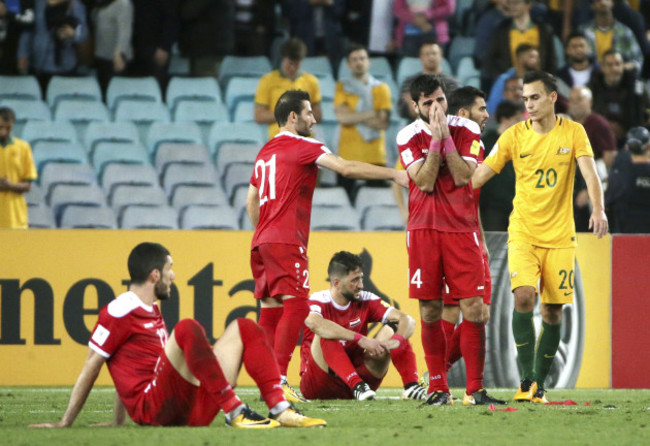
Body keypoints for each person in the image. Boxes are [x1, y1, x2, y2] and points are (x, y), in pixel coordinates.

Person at [30, 242, 327, 429]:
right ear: (155, 274)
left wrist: (117, 422)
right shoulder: (119, 310)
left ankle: (280, 408)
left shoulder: (150, 309)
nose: (174, 275)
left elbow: (127, 366)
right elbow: (94, 363)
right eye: (170, 269)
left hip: (185, 412)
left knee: (246, 328)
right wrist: (64, 423)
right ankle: (234, 409)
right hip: (154, 410)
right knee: (186, 328)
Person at [246, 89, 407, 403]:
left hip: (261, 241)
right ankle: (278, 380)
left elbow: (251, 200)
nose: (314, 118)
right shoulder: (303, 144)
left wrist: (265, 232)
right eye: (308, 113)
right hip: (285, 240)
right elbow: (345, 168)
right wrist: (395, 175)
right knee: (296, 307)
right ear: (293, 117)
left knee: (270, 311)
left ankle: (267, 380)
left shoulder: (265, 151)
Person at [471, 70, 608, 403]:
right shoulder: (513, 136)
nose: (528, 104)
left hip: (561, 237)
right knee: (523, 297)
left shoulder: (574, 132)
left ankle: (539, 386)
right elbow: (478, 177)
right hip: (522, 233)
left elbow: (590, 174)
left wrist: (598, 209)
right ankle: (526, 381)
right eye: (525, 99)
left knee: (552, 312)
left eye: (534, 97)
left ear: (552, 98)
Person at [396, 74, 503, 406]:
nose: (437, 107)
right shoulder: (407, 135)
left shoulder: (467, 128)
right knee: (430, 310)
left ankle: (475, 389)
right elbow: (425, 182)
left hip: (461, 229)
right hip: (424, 231)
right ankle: (439, 388)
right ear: (415, 106)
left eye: (440, 99)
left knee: (474, 308)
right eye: (428, 102)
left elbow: (463, 177)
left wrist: (446, 140)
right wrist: (436, 142)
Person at [437, 86, 507, 405]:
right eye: (481, 109)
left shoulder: (474, 145)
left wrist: (480, 237)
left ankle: (444, 377)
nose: (487, 115)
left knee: (482, 312)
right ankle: (445, 381)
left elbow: (471, 197)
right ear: (463, 113)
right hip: (450, 237)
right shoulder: (448, 141)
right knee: (456, 311)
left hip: (470, 236)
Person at [300, 251, 427, 401]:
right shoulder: (317, 300)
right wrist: (360, 339)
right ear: (336, 283)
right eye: (354, 280)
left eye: (361, 278)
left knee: (395, 327)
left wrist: (397, 340)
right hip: (319, 384)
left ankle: (411, 386)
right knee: (326, 333)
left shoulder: (366, 299)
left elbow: (407, 320)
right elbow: (315, 323)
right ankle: (357, 385)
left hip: (362, 380)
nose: (360, 285)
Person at [334, 44, 392, 198]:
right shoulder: (342, 87)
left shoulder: (382, 88)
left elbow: (382, 123)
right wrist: (372, 112)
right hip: (347, 155)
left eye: (362, 58)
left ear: (368, 61)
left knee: (377, 201)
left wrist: (353, 115)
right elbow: (342, 118)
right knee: (345, 201)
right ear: (348, 64)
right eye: (354, 59)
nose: (359, 62)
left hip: (375, 155)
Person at [567, 86, 617, 231]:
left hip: (594, 176)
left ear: (590, 102)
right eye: (572, 100)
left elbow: (609, 156)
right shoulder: (564, 123)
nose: (575, 103)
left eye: (580, 99)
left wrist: (590, 187)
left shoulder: (598, 123)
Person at [254, 38, 322, 141]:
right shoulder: (267, 80)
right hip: (278, 140)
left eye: (296, 64)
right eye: (289, 63)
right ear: (283, 59)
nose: (293, 68)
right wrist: (288, 114)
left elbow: (318, 115)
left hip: (305, 141)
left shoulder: (311, 81)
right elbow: (259, 116)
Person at [16, 0, 88, 92]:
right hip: (38, 63)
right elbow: (27, 30)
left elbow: (84, 33)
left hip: (65, 64)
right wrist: (22, 54)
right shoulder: (36, 3)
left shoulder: (75, 4)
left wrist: (74, 34)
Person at [479, 99, 525, 231]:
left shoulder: (522, 144)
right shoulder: (486, 143)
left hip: (517, 208)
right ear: (505, 119)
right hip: (493, 209)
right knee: (494, 247)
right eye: (517, 119)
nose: (522, 124)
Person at [485, 0, 557, 85]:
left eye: (516, 3)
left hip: (538, 84)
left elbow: (551, 60)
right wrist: (504, 78)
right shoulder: (502, 30)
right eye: (510, 3)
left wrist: (546, 80)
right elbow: (489, 59)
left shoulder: (544, 30)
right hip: (513, 86)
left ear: (528, 5)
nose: (512, 6)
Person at [588, 49, 649, 144]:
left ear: (623, 66)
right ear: (602, 67)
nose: (614, 69)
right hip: (601, 138)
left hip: (633, 139)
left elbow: (647, 110)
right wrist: (606, 125)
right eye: (609, 65)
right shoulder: (592, 87)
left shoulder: (637, 87)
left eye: (618, 64)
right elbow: (587, 114)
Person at [398, 39, 459, 121]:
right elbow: (402, 110)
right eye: (427, 54)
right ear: (421, 57)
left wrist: (418, 106)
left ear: (441, 56)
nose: (431, 57)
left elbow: (456, 108)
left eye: (434, 53)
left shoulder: (452, 83)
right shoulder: (410, 82)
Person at [578, 0, 643, 73]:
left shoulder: (625, 32)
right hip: (591, 79)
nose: (603, 2)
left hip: (619, 80)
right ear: (592, 6)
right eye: (598, 0)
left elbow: (638, 61)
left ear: (612, 3)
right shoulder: (583, 32)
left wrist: (620, 67)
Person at [606, 126, 650, 233]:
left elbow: (608, 205)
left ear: (627, 148)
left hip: (625, 239)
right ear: (649, 147)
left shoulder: (618, 178)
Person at [0, 107, 37, 229]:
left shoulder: (23, 147)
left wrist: (10, 186)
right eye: (0, 127)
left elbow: (27, 186)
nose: (4, 132)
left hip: (15, 218)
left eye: (8, 128)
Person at [91, 0, 133, 99]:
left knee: (115, 95)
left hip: (116, 59)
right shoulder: (101, 4)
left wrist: (118, 53)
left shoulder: (123, 3)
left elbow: (125, 30)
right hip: (102, 56)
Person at [486, 43, 540, 115]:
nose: (537, 61)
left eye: (537, 57)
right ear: (520, 58)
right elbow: (492, 108)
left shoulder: (539, 81)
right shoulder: (504, 79)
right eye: (531, 57)